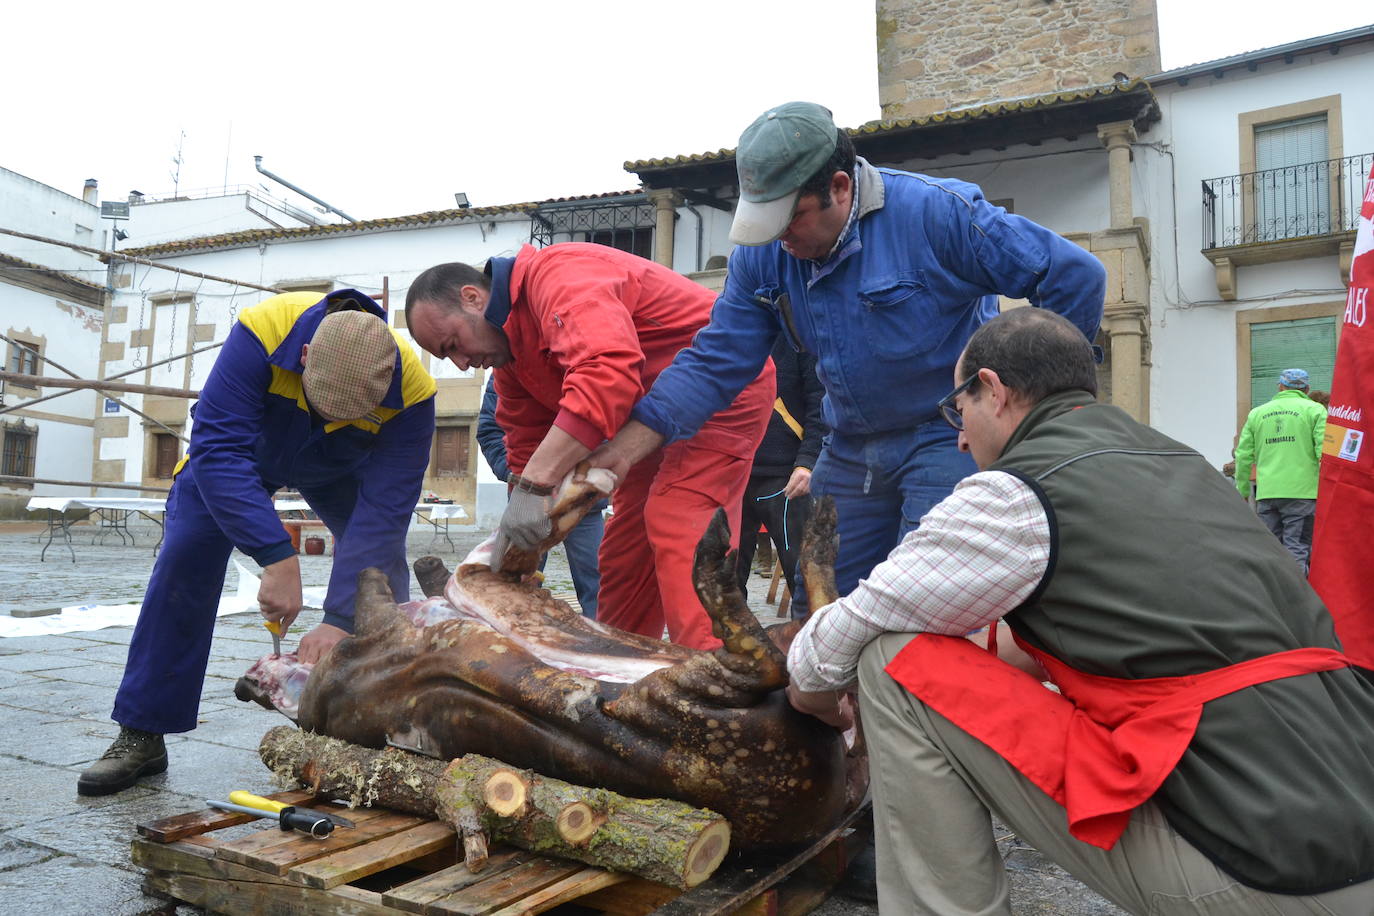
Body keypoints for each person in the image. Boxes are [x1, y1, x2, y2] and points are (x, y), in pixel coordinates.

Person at [785, 308, 1374, 915]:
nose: (959, 437)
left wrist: (814, 697)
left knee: (892, 660)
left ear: (992, 390)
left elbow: (832, 645)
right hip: (1350, 810)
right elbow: (1104, 632)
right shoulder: (1183, 466)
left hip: (1270, 867)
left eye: (956, 411)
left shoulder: (1018, 490)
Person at [590, 101, 1105, 603]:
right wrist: (620, 454)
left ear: (839, 187)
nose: (780, 240)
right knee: (819, 609)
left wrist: (1029, 414)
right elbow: (713, 362)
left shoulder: (937, 212)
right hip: (848, 444)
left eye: (790, 221)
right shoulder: (763, 256)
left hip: (945, 437)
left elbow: (1073, 277)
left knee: (926, 603)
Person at [78, 290, 437, 797]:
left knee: (379, 581)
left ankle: (375, 725)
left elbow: (383, 512)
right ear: (306, 356)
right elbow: (218, 448)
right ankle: (142, 730)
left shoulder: (414, 390)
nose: (334, 412)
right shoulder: (264, 329)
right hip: (244, 454)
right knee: (185, 561)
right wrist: (275, 555)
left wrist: (340, 618)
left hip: (338, 467)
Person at [405, 244, 773, 650]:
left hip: (718, 392)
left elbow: (606, 371)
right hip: (643, 424)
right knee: (624, 555)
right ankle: (616, 672)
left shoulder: (561, 277)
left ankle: (720, 680)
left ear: (472, 298)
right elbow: (527, 445)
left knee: (677, 517)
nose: (459, 364)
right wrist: (520, 543)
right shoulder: (512, 360)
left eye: (452, 343)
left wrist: (535, 486)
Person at [477, 374, 605, 618]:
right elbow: (490, 431)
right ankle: (521, 643)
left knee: (600, 583)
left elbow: (601, 416)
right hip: (527, 501)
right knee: (514, 582)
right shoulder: (505, 373)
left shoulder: (580, 366)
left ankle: (605, 645)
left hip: (582, 499)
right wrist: (519, 476)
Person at [735, 334, 826, 618]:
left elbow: (820, 403)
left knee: (803, 576)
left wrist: (808, 462)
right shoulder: (727, 333)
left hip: (787, 477)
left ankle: (811, 652)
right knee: (725, 578)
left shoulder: (797, 336)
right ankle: (726, 652)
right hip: (731, 473)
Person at [1233, 367, 1327, 573]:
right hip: (1303, 494)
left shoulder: (1257, 413)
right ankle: (1297, 602)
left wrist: (1242, 490)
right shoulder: (1316, 410)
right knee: (1297, 550)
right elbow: (1325, 454)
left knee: (1271, 551)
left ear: (1280, 386)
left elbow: (1243, 455)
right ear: (1306, 388)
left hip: (1267, 494)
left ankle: (1273, 601)